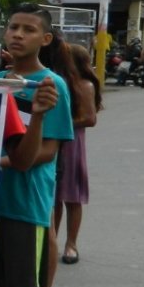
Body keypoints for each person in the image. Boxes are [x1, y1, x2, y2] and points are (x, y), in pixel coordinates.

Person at [0, 3, 74, 287]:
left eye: (28, 30)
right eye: (13, 28)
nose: (18, 35)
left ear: (45, 38)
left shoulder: (51, 85)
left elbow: (47, 150)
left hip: (25, 207)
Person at [53, 43, 99, 267]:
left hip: (72, 144)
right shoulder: (59, 83)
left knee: (72, 197)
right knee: (53, 198)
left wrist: (60, 124)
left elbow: (90, 118)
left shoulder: (85, 85)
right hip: (55, 143)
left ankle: (71, 244)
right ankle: (51, 241)